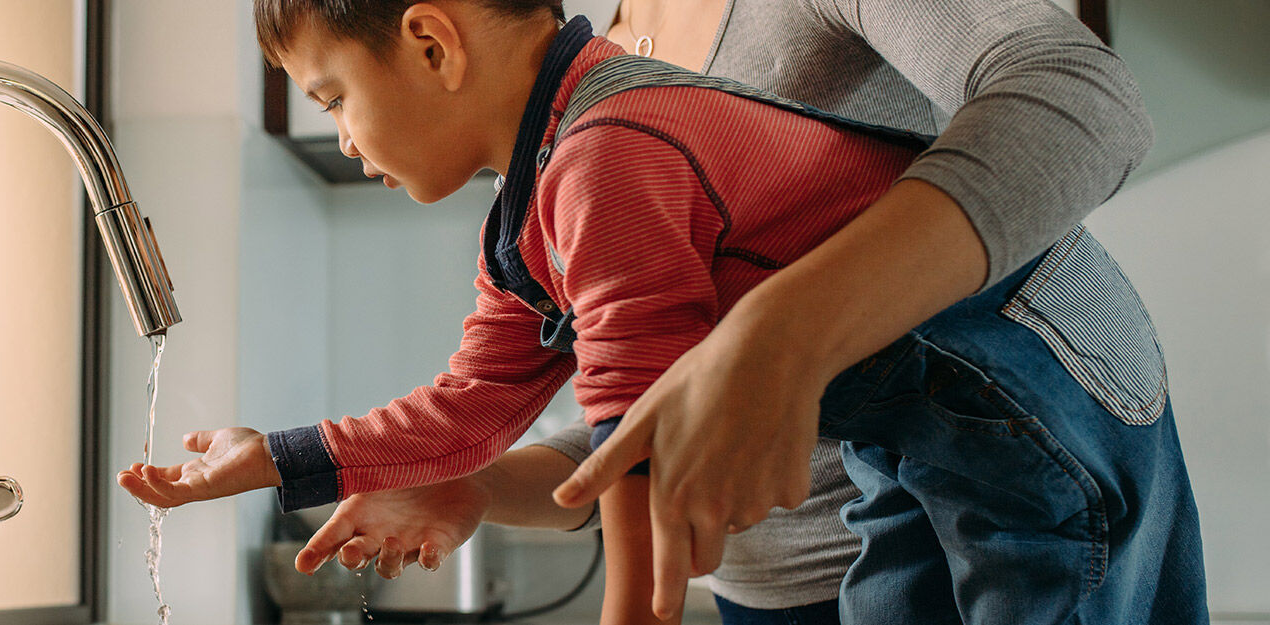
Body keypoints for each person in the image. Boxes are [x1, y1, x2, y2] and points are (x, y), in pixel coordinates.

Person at [117, 2, 1206, 624]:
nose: (343, 138)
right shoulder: (536, 196)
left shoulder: (604, 156)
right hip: (894, 451)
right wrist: (278, 458)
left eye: (332, 101)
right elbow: (476, 410)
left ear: (431, 43)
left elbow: (637, 453)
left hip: (1013, 397)